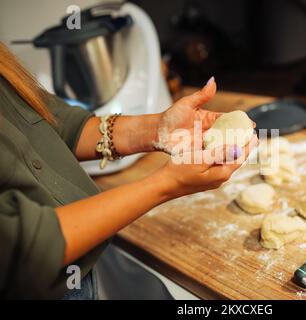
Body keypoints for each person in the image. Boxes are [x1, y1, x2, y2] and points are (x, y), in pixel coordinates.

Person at [0, 42, 257, 299]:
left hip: (82, 266)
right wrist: (167, 184)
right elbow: (22, 249)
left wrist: (158, 129)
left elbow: (52, 120)